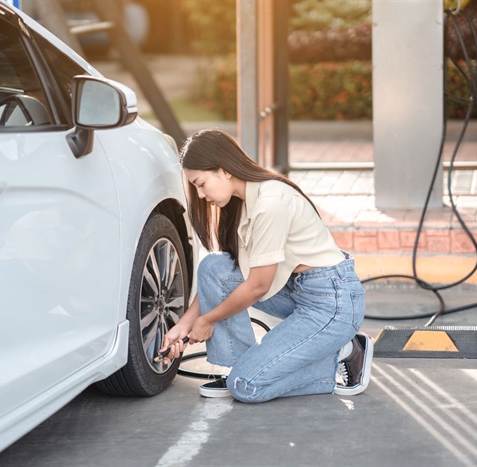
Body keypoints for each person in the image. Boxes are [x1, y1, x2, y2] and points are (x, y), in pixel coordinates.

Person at [159, 129, 373, 401]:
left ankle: (343, 352)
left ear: (224, 170)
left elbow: (258, 286)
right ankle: (241, 366)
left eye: (201, 184)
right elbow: (227, 278)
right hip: (294, 290)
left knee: (246, 386)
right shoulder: (242, 201)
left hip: (331, 302)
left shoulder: (271, 203)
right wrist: (185, 324)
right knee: (214, 268)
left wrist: (208, 320)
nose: (200, 195)